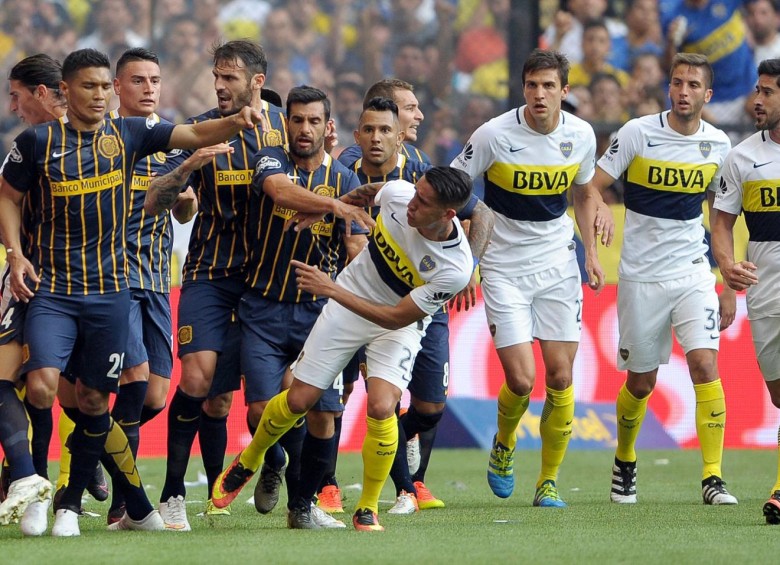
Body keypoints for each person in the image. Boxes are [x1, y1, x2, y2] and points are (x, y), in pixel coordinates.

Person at [0, 47, 268, 537]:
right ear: (70, 91)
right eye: (97, 86)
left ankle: (91, 485)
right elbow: (11, 196)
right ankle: (46, 486)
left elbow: (187, 174)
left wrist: (230, 126)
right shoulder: (43, 143)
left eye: (154, 80)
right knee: (50, 385)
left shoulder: (142, 136)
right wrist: (17, 254)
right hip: (67, 285)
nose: (104, 95)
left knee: (121, 399)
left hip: (129, 288)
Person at [211, 166, 476, 532]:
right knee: (299, 399)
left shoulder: (455, 268)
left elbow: (394, 317)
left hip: (394, 323)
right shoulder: (400, 194)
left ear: (448, 215)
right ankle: (250, 457)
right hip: (348, 307)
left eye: (423, 202)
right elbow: (370, 191)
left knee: (383, 405)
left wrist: (331, 288)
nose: (411, 204)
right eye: (415, 193)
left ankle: (367, 507)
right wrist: (330, 206)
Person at [451, 48, 607, 508]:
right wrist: (464, 261)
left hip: (558, 263)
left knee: (560, 377)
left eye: (548, 86)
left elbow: (583, 194)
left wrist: (592, 254)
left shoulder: (580, 135)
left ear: (565, 91)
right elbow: (456, 192)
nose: (539, 94)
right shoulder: (493, 135)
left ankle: (548, 482)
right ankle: (503, 444)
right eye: (531, 85)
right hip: (502, 264)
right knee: (522, 380)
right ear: (523, 88)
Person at [142, 40, 286, 531]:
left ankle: (272, 462)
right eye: (217, 77)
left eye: (230, 78)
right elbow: (158, 201)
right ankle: (173, 492)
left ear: (257, 83)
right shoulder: (200, 130)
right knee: (199, 382)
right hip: (208, 273)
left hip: (266, 282)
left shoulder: (288, 132)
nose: (220, 86)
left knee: (243, 403)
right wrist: (187, 169)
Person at [591, 53, 737, 505]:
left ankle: (713, 477)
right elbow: (592, 183)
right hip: (640, 276)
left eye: (694, 85)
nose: (684, 91)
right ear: (668, 88)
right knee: (641, 382)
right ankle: (625, 460)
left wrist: (729, 281)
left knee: (704, 365)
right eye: (677, 83)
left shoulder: (719, 145)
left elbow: (724, 218)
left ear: (707, 95)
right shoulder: (636, 132)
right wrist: (597, 207)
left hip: (694, 272)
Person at [338, 97, 493, 516]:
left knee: (429, 407)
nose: (418, 116)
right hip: (368, 299)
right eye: (409, 108)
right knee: (362, 397)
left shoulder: (423, 168)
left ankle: (411, 481)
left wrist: (467, 269)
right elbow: (353, 228)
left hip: (426, 305)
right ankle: (359, 486)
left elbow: (482, 215)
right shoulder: (348, 164)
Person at [240, 85, 372, 529]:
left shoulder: (346, 178)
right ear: (286, 123)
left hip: (318, 315)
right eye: (297, 120)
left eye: (314, 121)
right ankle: (273, 461)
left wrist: (356, 276)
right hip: (262, 306)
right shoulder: (270, 158)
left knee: (322, 415)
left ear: (327, 126)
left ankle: (302, 507)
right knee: (263, 413)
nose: (304, 129)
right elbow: (278, 192)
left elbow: (355, 244)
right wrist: (333, 206)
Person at [100, 47, 200, 524]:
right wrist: (175, 181)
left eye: (154, 80)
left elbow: (185, 208)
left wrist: (186, 197)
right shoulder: (104, 139)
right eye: (137, 80)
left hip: (159, 279)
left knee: (156, 396)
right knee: (134, 384)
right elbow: (141, 202)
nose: (148, 88)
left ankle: (97, 442)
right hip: (114, 278)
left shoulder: (173, 141)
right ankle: (125, 502)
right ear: (117, 87)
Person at [711, 57, 780, 523]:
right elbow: (721, 221)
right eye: (757, 90)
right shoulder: (742, 157)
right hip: (766, 287)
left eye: (767, 93)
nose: (756, 101)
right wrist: (727, 266)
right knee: (778, 395)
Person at [0, 53, 66, 536]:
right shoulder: (25, 147)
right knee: (27, 385)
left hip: (84, 284)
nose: (13, 105)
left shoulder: (101, 140)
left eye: (16, 95)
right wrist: (16, 256)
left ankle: (66, 483)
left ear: (40, 93)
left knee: (83, 394)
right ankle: (30, 480)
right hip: (29, 277)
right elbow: (5, 200)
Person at [338, 78, 430, 167]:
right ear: (383, 110)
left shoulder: (420, 159)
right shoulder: (350, 162)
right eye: (410, 108)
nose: (420, 116)